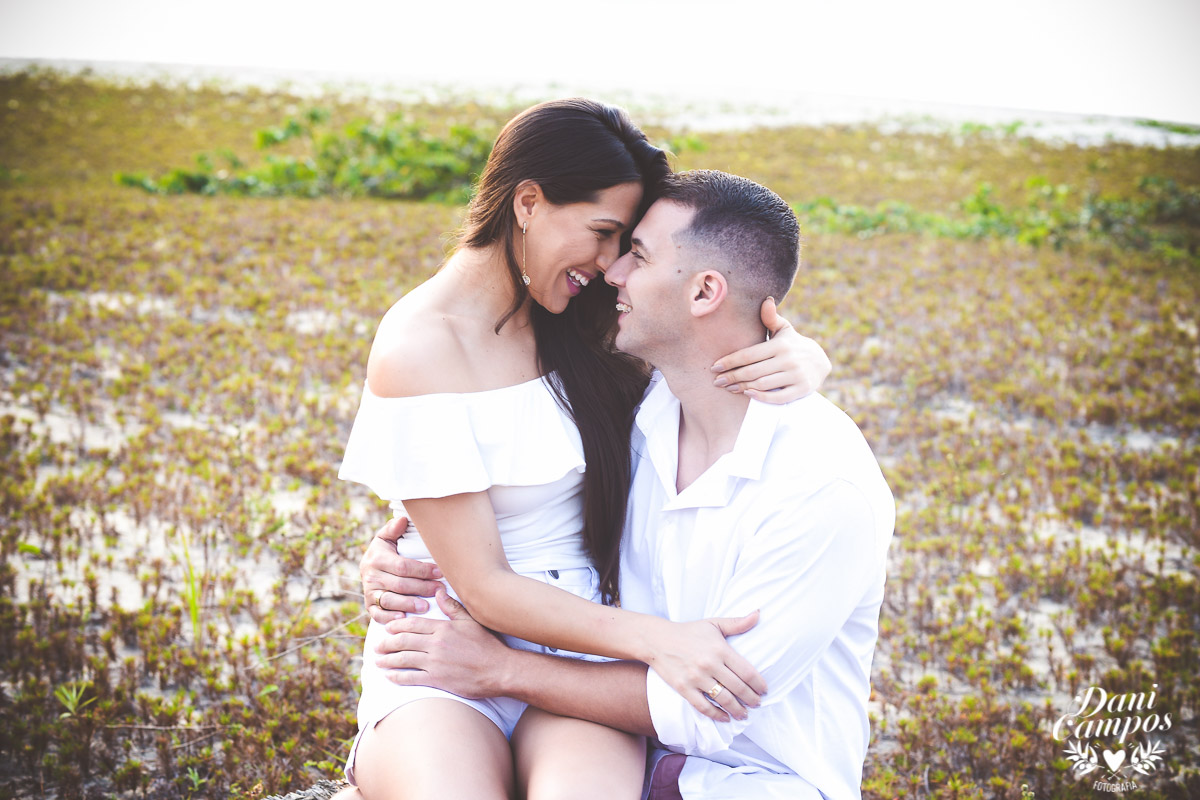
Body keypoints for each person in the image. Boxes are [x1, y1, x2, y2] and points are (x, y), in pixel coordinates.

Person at [337, 100, 832, 800]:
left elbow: (707, 320)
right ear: (529, 202)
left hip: (581, 662)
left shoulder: (587, 322)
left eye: (624, 244)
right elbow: (483, 584)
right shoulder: (419, 349)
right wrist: (660, 640)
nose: (608, 267)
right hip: (446, 653)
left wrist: (803, 355)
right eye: (602, 233)